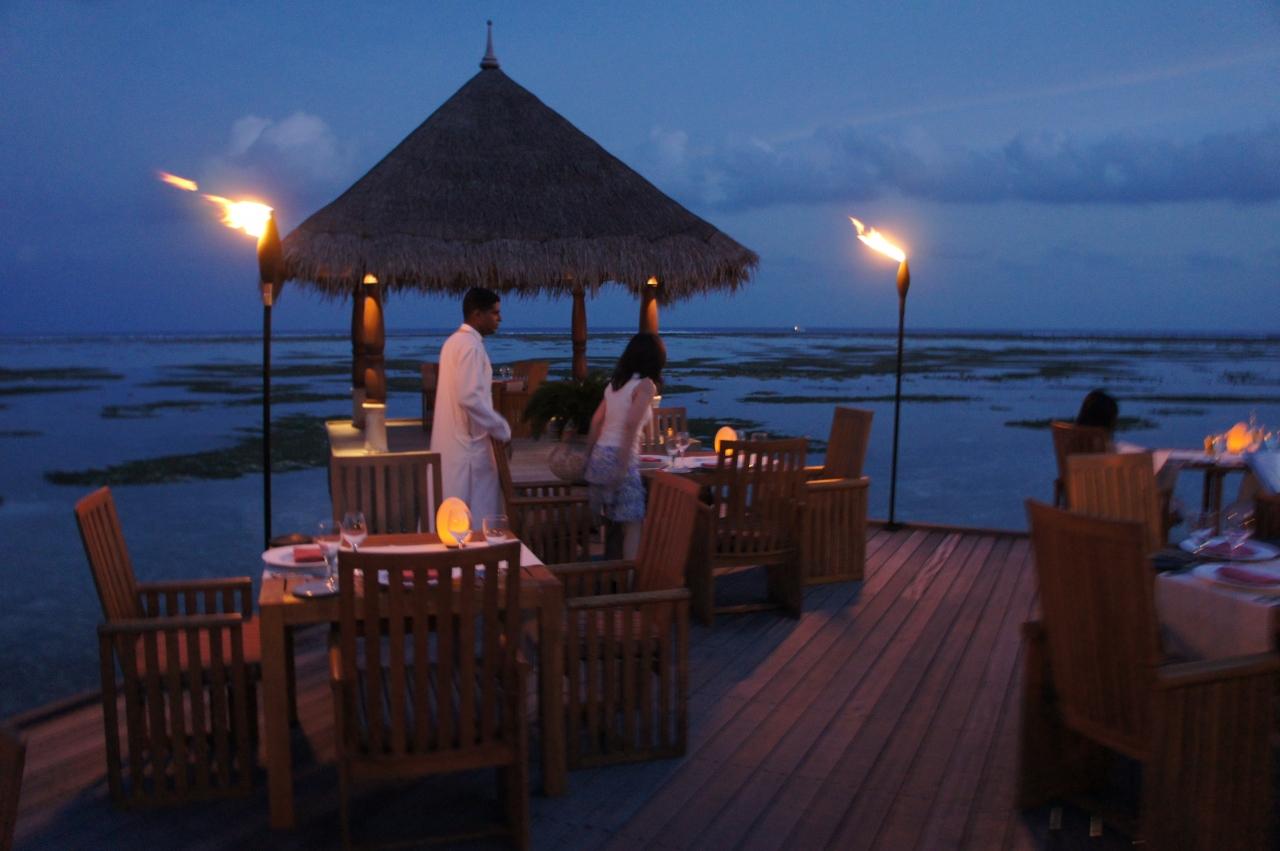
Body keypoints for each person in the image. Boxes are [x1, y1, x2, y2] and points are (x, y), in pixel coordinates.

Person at [430, 287, 511, 522]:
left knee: (451, 511)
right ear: (477, 314)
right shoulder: (470, 346)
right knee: (474, 514)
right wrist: (501, 428)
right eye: (495, 313)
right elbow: (470, 397)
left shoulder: (454, 343)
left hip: (455, 443)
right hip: (468, 447)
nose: (500, 318)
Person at [583, 333, 667, 559]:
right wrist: (623, 465)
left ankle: (611, 569)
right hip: (620, 457)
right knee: (633, 524)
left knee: (612, 521)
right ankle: (630, 575)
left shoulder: (615, 385)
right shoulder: (646, 385)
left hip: (600, 455)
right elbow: (631, 424)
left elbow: (596, 421)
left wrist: (588, 457)